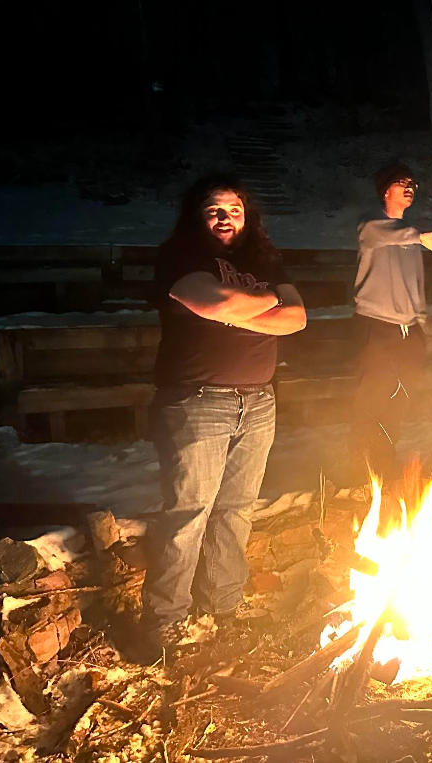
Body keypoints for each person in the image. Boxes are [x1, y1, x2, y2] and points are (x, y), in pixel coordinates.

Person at [142, 175, 307, 657]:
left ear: (247, 215)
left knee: (236, 509)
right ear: (197, 214)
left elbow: (297, 318)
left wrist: (236, 311)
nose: (224, 217)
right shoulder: (180, 256)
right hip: (196, 400)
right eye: (214, 209)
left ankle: (223, 605)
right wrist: (267, 302)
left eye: (234, 210)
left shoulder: (264, 259)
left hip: (257, 401)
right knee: (188, 513)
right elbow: (213, 300)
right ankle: (166, 622)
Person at [351, 162, 432, 483]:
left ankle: (385, 461)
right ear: (386, 190)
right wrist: (418, 237)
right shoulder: (371, 226)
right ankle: (361, 468)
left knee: (400, 396)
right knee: (372, 397)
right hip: (376, 326)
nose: (410, 188)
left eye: (413, 183)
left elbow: (414, 281)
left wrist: (419, 319)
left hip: (408, 330)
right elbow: (383, 235)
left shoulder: (411, 237)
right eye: (402, 182)